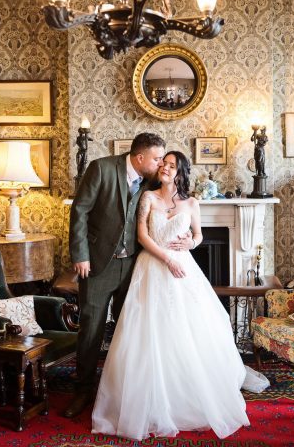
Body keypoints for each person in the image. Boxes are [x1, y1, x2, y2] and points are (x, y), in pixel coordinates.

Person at [91, 151, 253, 440]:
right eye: (162, 163)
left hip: (184, 269)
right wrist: (167, 259)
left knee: (186, 330)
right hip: (152, 267)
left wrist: (192, 242)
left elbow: (199, 235)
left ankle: (188, 396)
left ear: (181, 172)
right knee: (148, 333)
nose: (164, 168)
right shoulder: (148, 198)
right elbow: (142, 236)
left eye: (170, 165)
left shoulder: (191, 202)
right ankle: (146, 402)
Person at [63, 132, 167, 418]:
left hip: (134, 266)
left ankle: (120, 392)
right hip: (97, 264)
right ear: (140, 157)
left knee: (128, 331)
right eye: (157, 158)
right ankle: (82, 389)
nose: (160, 164)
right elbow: (79, 212)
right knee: (91, 329)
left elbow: (175, 195)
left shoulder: (152, 179)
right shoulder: (101, 168)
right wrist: (80, 255)